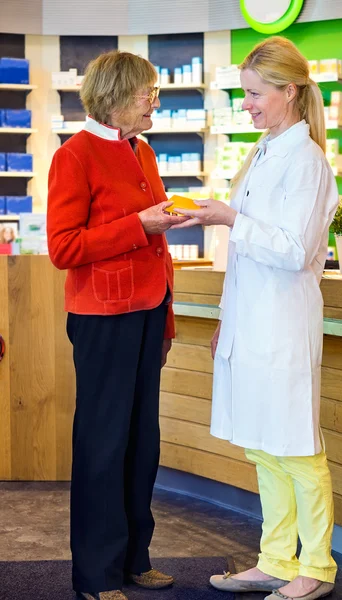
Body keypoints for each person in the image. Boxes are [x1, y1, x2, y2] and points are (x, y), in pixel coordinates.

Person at [174, 37, 339, 600]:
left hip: (286, 322)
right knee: (265, 446)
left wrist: (227, 217)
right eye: (244, 94)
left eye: (253, 94)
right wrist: (229, 315)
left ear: (289, 92)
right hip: (253, 318)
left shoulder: (307, 160)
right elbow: (249, 254)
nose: (245, 104)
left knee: (296, 446)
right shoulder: (268, 149)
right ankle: (275, 558)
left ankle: (315, 568)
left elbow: (294, 249)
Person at [47, 50, 189, 600]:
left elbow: (155, 248)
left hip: (148, 311)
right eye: (146, 93)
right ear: (115, 98)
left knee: (142, 443)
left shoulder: (144, 151)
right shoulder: (74, 156)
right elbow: (64, 248)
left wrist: (167, 319)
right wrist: (139, 225)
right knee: (103, 445)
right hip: (103, 318)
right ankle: (96, 576)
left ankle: (136, 559)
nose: (154, 100)